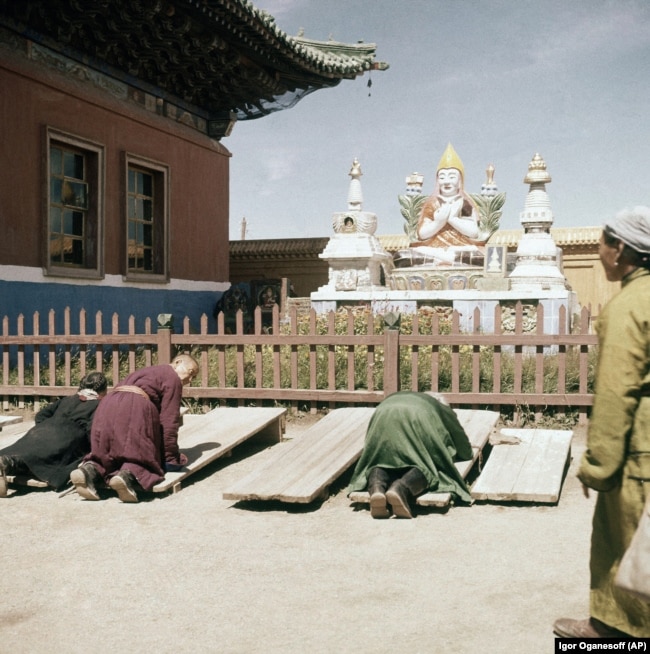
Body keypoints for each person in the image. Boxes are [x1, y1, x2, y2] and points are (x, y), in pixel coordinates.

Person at [554, 206, 650, 638]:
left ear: (622, 250)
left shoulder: (629, 305)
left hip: (640, 451)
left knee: (625, 544)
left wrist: (599, 465)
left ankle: (618, 630)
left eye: (603, 246)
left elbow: (615, 393)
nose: (598, 255)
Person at [70, 354, 199, 503]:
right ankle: (127, 476)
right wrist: (171, 459)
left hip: (107, 404)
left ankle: (88, 471)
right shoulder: (173, 378)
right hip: (135, 405)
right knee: (141, 455)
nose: (190, 381)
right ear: (177, 362)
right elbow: (169, 422)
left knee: (106, 453)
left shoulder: (147, 371)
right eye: (190, 373)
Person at [348, 391, 474, 518]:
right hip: (415, 420)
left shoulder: (397, 397)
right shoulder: (439, 406)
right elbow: (461, 443)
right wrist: (465, 453)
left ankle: (376, 488)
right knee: (427, 466)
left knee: (382, 462)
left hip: (382, 415)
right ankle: (400, 489)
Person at [0, 371, 108, 496]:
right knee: (41, 462)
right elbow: (92, 430)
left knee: (23, 451)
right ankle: (6, 463)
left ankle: (5, 461)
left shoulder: (67, 400)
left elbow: (41, 415)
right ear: (102, 391)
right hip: (66, 437)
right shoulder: (98, 405)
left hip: (41, 431)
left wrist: (46, 429)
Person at [414, 143, 482, 250]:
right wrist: (438, 222)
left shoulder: (464, 203)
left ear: (460, 181)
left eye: (451, 177)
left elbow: (474, 232)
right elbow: (422, 234)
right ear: (437, 181)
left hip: (461, 246)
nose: (446, 182)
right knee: (407, 254)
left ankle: (449, 255)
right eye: (442, 177)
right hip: (434, 246)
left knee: (475, 251)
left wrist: (453, 219)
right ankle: (447, 256)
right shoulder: (433, 203)